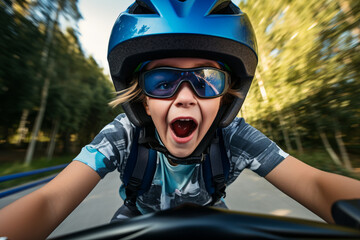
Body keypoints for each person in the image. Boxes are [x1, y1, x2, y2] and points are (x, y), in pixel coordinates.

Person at [1, 0, 360, 239]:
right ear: (140, 96)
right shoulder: (122, 135)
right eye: (162, 81)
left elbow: (314, 185)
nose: (185, 96)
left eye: (207, 80)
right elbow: (49, 201)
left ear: (228, 95)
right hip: (133, 223)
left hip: (213, 221)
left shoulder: (235, 136)